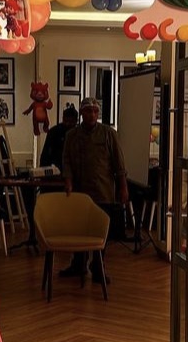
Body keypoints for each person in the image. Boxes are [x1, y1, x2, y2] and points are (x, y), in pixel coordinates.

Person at [61, 97, 128, 283]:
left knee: (100, 231)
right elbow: (66, 160)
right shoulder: (72, 135)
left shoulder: (108, 133)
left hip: (102, 191)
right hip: (79, 191)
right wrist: (68, 181)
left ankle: (98, 267)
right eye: (88, 111)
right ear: (82, 113)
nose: (92, 115)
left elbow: (119, 163)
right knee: (79, 229)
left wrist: (123, 187)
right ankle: (78, 264)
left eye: (95, 111)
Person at [40, 105, 79, 171]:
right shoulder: (54, 132)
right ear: (63, 118)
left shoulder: (79, 133)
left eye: (71, 122)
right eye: (66, 121)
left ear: (76, 121)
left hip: (73, 168)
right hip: (56, 167)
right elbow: (46, 154)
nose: (67, 124)